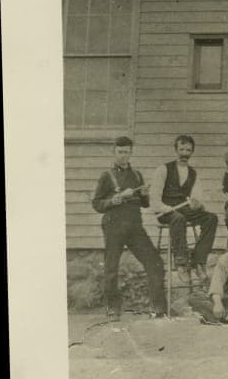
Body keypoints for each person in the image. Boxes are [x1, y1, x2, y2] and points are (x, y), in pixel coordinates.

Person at [91, 136, 167, 320]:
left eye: (127, 152)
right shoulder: (107, 176)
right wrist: (112, 201)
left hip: (134, 226)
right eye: (120, 152)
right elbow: (96, 203)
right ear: (114, 152)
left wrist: (144, 196)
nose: (124, 156)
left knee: (154, 262)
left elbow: (145, 204)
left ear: (131, 153)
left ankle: (157, 307)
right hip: (114, 225)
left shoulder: (137, 176)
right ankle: (112, 308)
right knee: (111, 267)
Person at [148, 134, 218, 285]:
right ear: (175, 150)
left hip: (184, 211)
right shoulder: (163, 169)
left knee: (211, 218)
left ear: (192, 152)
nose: (185, 153)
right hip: (165, 212)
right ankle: (181, 264)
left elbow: (197, 197)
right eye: (182, 149)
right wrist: (166, 209)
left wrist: (197, 204)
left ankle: (199, 262)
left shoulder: (193, 173)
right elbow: (154, 200)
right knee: (178, 218)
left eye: (188, 150)